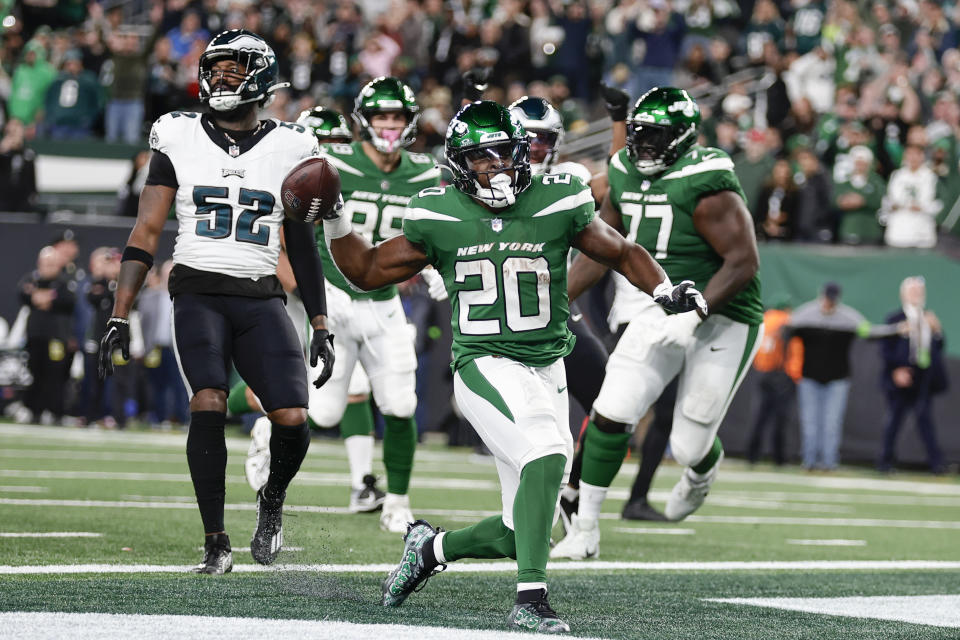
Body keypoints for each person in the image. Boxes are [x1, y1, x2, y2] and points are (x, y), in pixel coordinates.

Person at [323, 100, 705, 632]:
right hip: (485, 362)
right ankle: (531, 601)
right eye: (481, 159)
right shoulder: (437, 211)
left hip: (548, 366)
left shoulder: (557, 198)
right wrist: (336, 218)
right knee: (549, 453)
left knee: (523, 526)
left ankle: (429, 548)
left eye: (504, 154)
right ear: (459, 163)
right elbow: (364, 271)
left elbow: (619, 251)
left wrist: (665, 288)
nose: (496, 168)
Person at [97, 30, 335, 575]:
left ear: (260, 76)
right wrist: (120, 311)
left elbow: (301, 243)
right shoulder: (177, 135)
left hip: (259, 295)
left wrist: (320, 321)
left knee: (294, 417)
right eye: (216, 67)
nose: (221, 78)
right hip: (197, 289)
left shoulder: (294, 146)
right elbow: (147, 228)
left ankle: (270, 501)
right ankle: (215, 540)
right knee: (207, 398)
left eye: (234, 69)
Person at [552, 86, 763, 562]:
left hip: (725, 313)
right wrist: (555, 298)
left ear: (684, 138)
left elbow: (743, 262)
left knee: (688, 445)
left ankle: (701, 471)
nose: (644, 145)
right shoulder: (624, 171)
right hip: (662, 303)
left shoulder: (705, 181)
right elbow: (605, 246)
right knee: (611, 409)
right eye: (640, 134)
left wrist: (696, 315)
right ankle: (585, 530)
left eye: (657, 136)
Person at [295, 78, 441, 533]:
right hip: (335, 298)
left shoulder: (425, 172)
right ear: (364, 122)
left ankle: (397, 500)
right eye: (382, 117)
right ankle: (264, 426)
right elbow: (297, 222)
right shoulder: (332, 163)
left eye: (397, 118)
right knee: (324, 413)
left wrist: (436, 266)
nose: (390, 125)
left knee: (400, 403)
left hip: (385, 302)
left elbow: (439, 225)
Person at [789, 282, 893, 471]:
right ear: (821, 296)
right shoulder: (804, 315)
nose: (829, 303)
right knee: (810, 422)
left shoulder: (848, 317)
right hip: (809, 378)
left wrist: (896, 329)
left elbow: (869, 332)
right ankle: (809, 461)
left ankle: (829, 463)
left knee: (831, 423)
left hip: (837, 379)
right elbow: (785, 330)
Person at [877, 277, 948, 474]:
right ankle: (885, 462)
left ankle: (936, 464)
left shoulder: (929, 317)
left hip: (923, 377)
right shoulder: (895, 319)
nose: (916, 295)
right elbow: (885, 348)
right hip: (901, 376)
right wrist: (896, 370)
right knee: (894, 420)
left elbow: (939, 347)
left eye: (919, 291)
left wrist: (938, 331)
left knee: (925, 421)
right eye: (912, 291)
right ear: (904, 294)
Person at [17, 246, 77, 425]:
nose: (49, 267)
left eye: (52, 263)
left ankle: (55, 412)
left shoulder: (64, 282)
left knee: (55, 375)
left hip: (56, 337)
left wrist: (43, 298)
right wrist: (44, 298)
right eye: (46, 263)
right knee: (35, 373)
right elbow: (24, 295)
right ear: (39, 263)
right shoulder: (31, 279)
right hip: (35, 335)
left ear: (58, 264)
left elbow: (68, 301)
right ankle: (34, 411)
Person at [746, 295, 802, 466]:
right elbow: (794, 350)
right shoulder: (786, 321)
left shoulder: (764, 319)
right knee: (780, 418)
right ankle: (779, 458)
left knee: (759, 416)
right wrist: (794, 374)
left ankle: (752, 455)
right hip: (780, 374)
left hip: (762, 372)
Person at [882, 145, 941, 248]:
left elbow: (940, 203)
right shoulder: (897, 175)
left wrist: (924, 207)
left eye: (916, 154)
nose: (913, 158)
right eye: (909, 154)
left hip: (923, 233)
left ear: (922, 156)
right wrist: (893, 205)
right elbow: (887, 200)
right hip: (898, 233)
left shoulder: (931, 177)